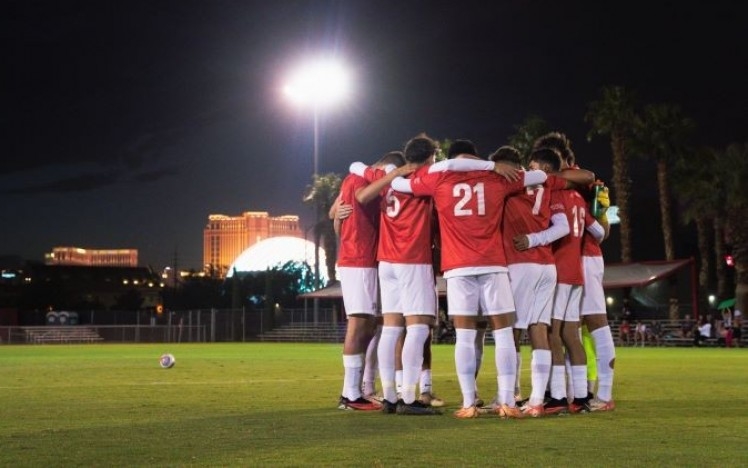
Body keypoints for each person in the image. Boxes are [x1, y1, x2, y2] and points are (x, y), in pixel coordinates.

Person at [391, 138, 559, 419]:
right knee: (504, 334)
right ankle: (507, 401)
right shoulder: (497, 177)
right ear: (476, 157)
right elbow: (541, 175)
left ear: (452, 159)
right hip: (493, 264)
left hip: (457, 268)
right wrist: (493, 166)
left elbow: (398, 185)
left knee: (466, 337)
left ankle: (469, 403)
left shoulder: (439, 179)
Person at [493, 145, 593, 417]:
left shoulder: (508, 180)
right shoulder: (548, 184)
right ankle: (537, 401)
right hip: (548, 266)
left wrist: (528, 240)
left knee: (510, 331)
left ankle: (507, 398)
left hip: (520, 262)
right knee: (539, 330)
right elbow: (562, 226)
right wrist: (538, 239)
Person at [350, 134, 441, 415]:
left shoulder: (386, 177)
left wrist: (392, 173)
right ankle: (410, 398)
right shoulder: (424, 176)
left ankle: (390, 396)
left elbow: (357, 172)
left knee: (391, 329)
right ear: (429, 158)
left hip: (386, 261)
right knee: (418, 327)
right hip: (412, 259)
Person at [534, 131, 616, 412]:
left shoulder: (584, 183)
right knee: (568, 330)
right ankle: (572, 392)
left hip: (586, 257)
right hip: (564, 260)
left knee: (594, 323)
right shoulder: (560, 187)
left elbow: (602, 231)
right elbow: (599, 228)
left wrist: (601, 212)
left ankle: (603, 395)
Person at [331, 151, 409, 411]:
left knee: (367, 325)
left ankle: (353, 392)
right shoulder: (366, 180)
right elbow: (358, 200)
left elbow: (335, 212)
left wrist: (338, 219)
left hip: (358, 257)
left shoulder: (352, 177)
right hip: (359, 257)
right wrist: (394, 175)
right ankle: (351, 395)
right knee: (359, 323)